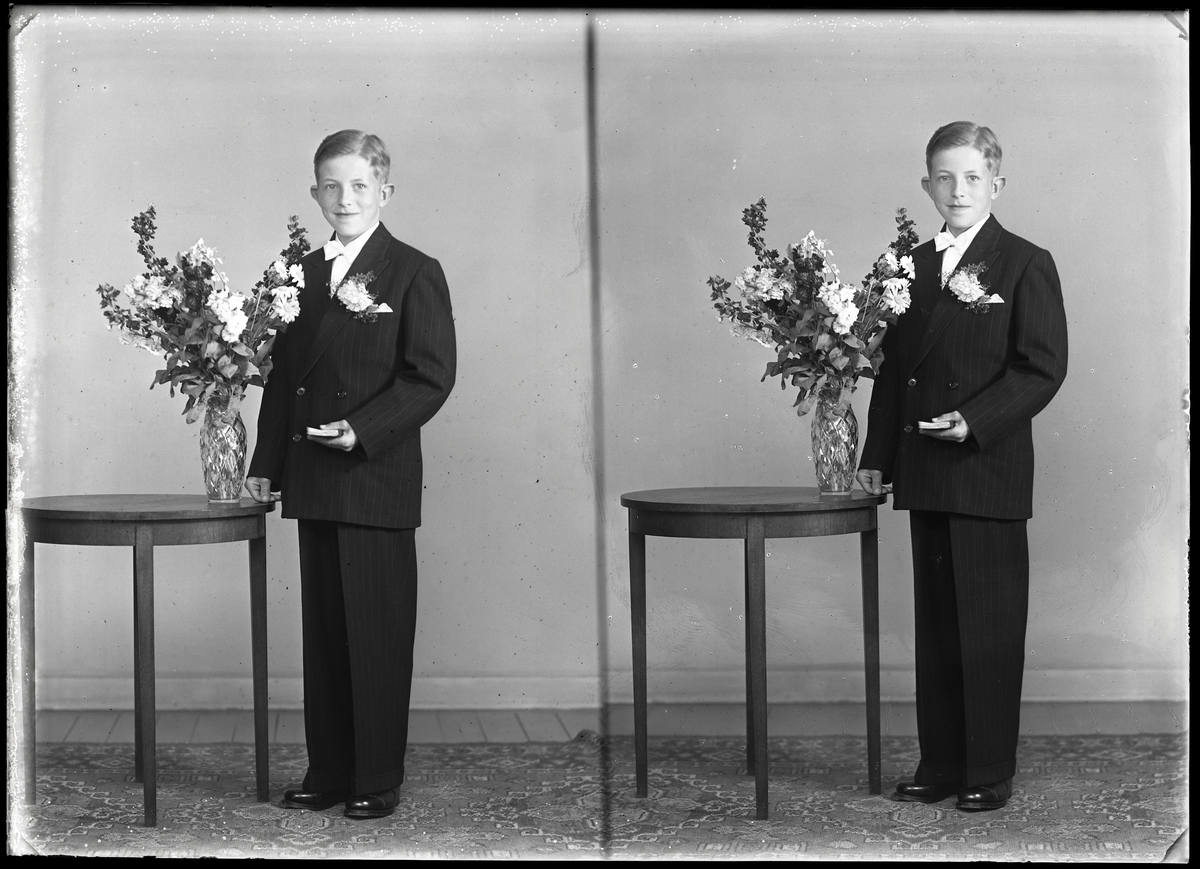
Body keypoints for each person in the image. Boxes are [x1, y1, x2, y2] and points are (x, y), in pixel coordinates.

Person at [245, 129, 456, 820]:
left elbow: (430, 376)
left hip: (373, 474)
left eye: (359, 185)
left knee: (376, 634)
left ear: (384, 191)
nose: (345, 198)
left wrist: (361, 429)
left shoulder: (414, 271)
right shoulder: (297, 274)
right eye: (332, 186)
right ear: (314, 193)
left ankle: (376, 775)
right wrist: (265, 465)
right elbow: (282, 380)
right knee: (328, 637)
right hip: (313, 472)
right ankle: (331, 770)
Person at [857, 121, 1068, 812]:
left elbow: (1042, 367)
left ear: (996, 184)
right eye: (944, 178)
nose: (958, 190)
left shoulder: (1025, 262)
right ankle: (943, 762)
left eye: (972, 177)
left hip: (986, 466)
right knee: (940, 628)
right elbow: (892, 373)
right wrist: (876, 457)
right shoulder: (907, 266)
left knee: (988, 628)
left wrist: (974, 420)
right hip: (925, 465)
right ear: (926, 185)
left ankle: (988, 768)